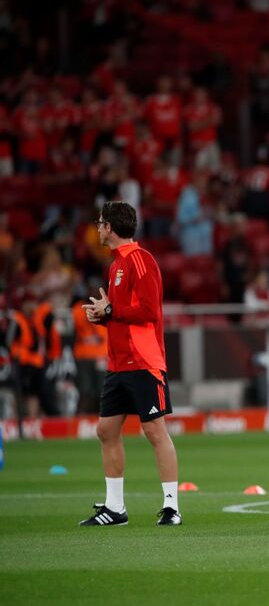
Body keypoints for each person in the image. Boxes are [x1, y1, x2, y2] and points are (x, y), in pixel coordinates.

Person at [79, 201, 182, 527]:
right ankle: (115, 508)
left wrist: (111, 313)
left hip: (143, 362)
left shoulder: (141, 261)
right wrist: (102, 318)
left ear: (110, 227)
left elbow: (150, 311)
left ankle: (171, 507)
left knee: (154, 431)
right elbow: (122, 315)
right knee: (106, 430)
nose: (97, 228)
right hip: (118, 363)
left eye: (100, 223)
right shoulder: (116, 266)